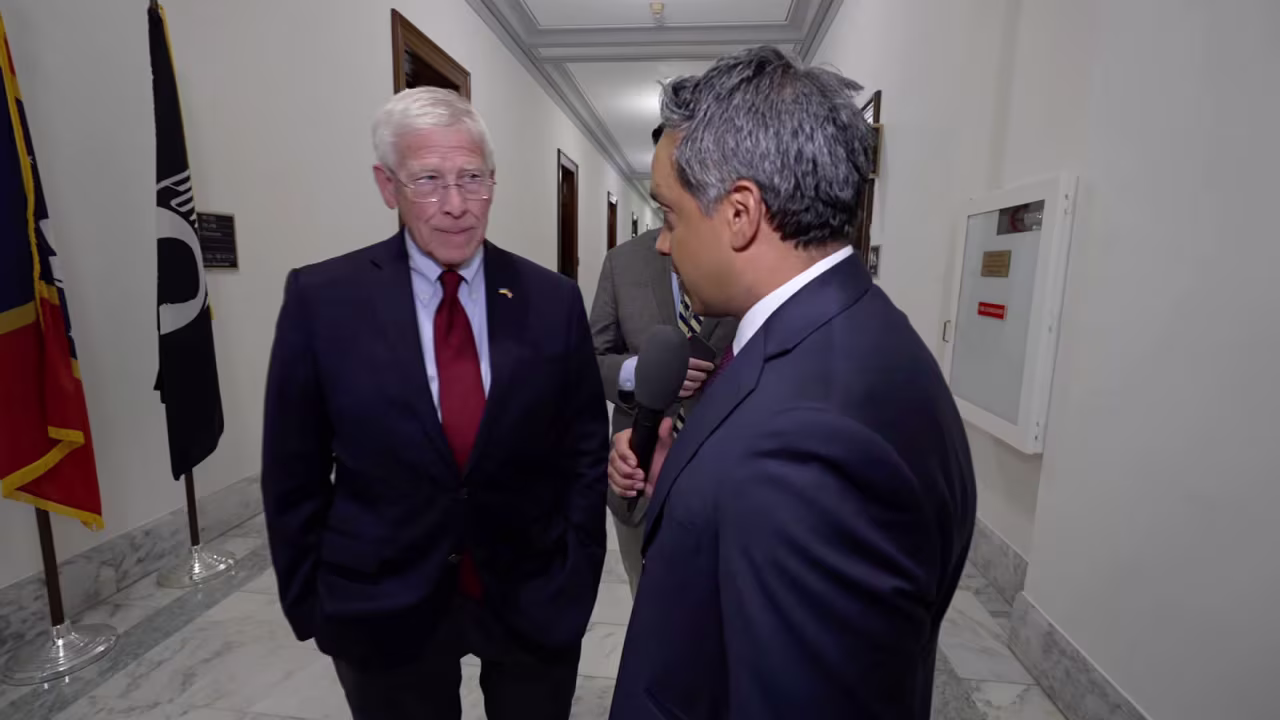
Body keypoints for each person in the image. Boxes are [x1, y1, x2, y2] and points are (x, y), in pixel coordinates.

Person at [607, 47, 977, 720]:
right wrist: (686, 477)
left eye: (671, 216)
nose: (662, 243)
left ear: (740, 213)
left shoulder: (810, 447)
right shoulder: (852, 328)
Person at [261, 87, 609, 720]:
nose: (455, 205)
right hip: (383, 603)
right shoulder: (322, 300)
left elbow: (583, 449)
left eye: (472, 178)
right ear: (387, 186)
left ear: (493, 182)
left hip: (531, 594)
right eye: (428, 180)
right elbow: (293, 470)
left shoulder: (552, 300)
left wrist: (577, 573)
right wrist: (312, 601)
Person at [589, 124, 737, 596]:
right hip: (636, 471)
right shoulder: (623, 262)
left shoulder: (747, 260)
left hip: (726, 479)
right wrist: (643, 374)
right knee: (648, 600)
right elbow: (591, 359)